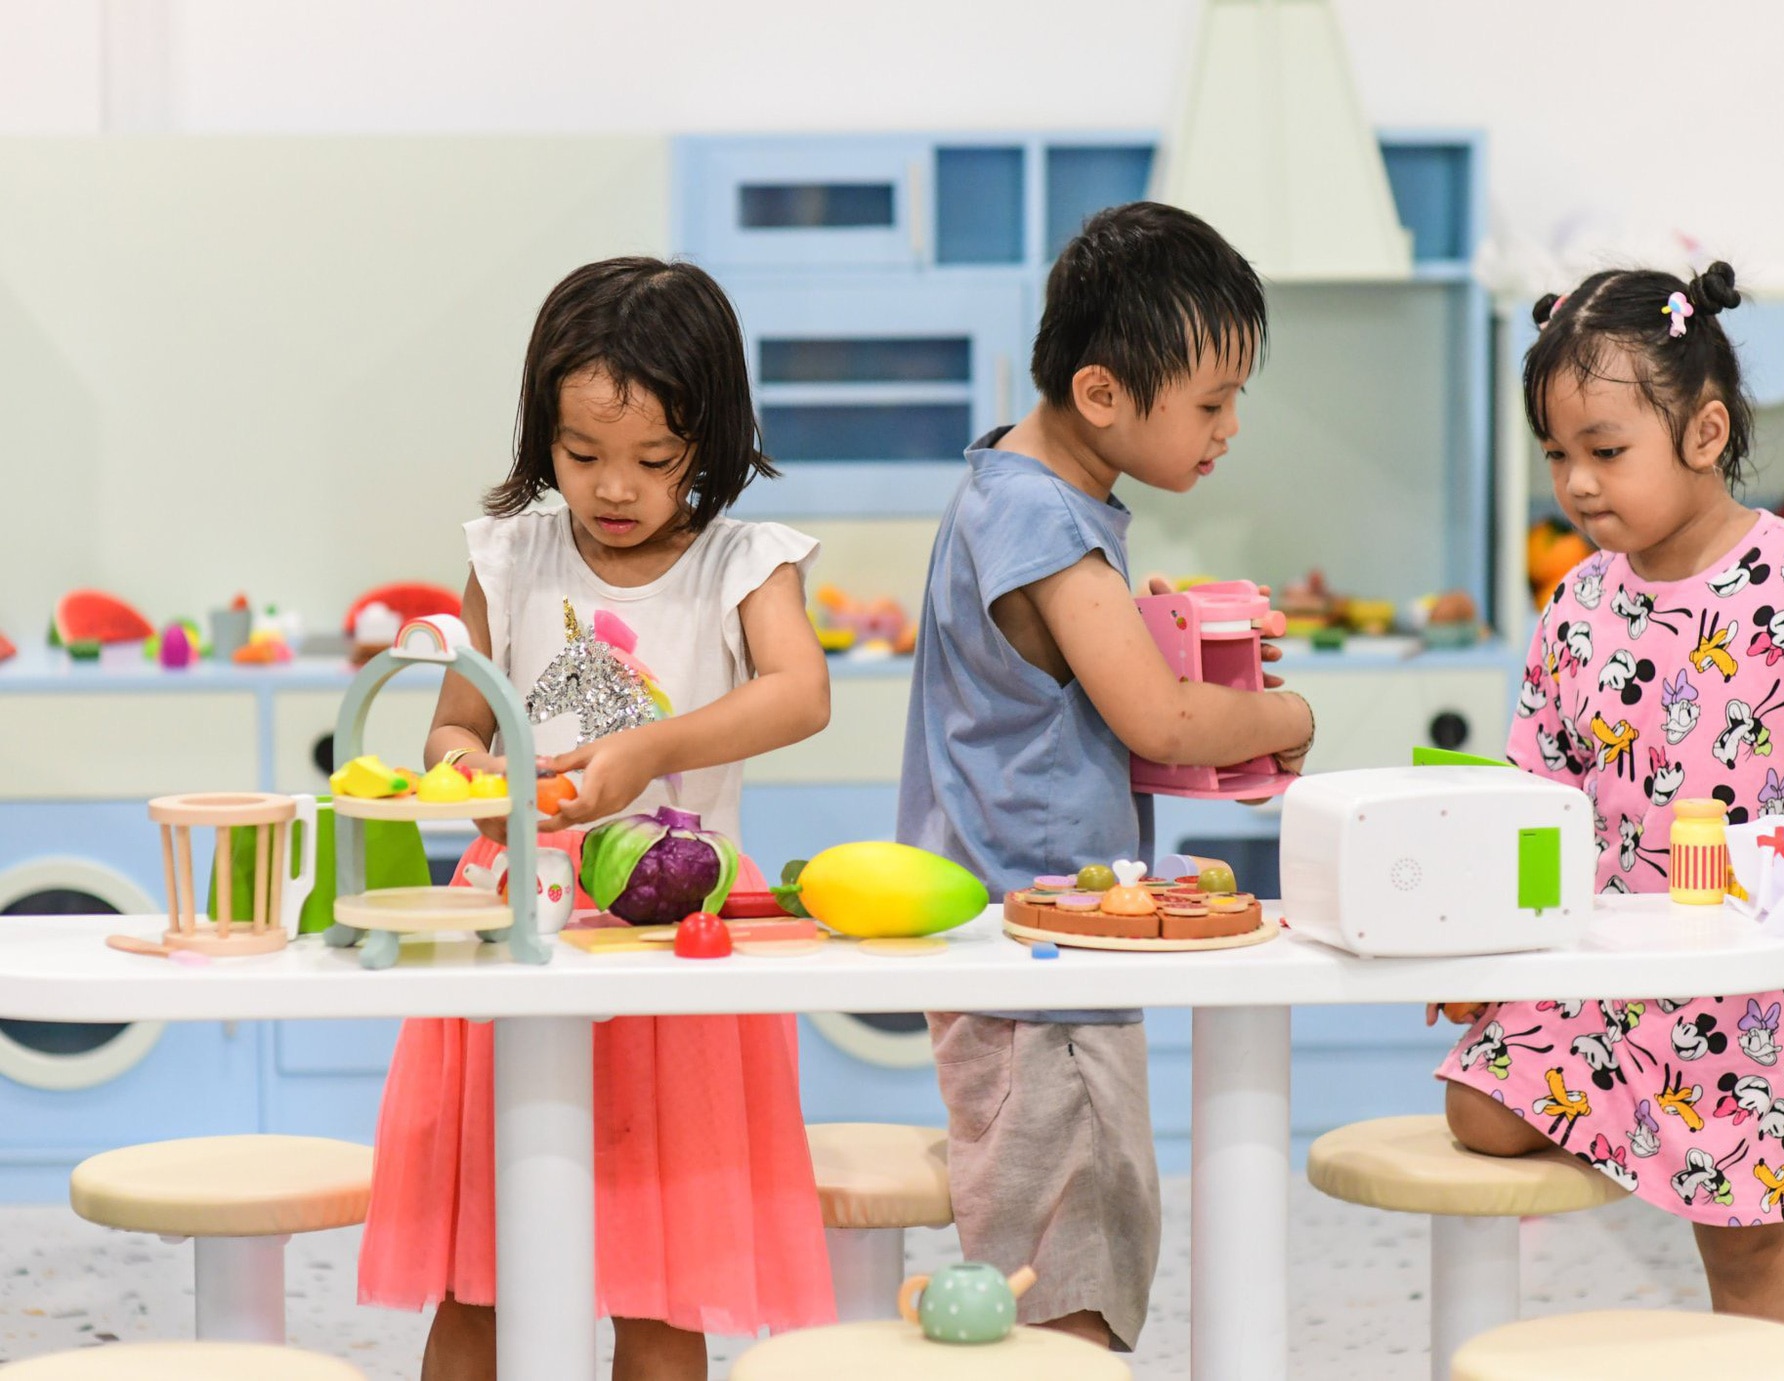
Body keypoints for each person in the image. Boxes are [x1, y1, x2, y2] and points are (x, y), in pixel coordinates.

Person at [358, 257, 836, 1380]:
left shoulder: (742, 562)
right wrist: (477, 772)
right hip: (516, 927)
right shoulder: (510, 555)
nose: (613, 487)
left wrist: (646, 753)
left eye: (654, 461)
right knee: (480, 1273)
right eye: (581, 457)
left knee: (661, 1283)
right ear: (542, 436)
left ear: (708, 443)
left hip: (675, 940)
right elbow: (450, 729)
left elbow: (799, 693)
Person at [899, 202, 1318, 1352]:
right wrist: (1282, 713)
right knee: (1065, 1275)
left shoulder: (1010, 480)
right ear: (1099, 393)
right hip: (1041, 957)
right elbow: (1157, 718)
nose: (1228, 425)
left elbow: (1069, 698)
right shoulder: (1045, 517)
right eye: (1209, 402)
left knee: (1054, 1248)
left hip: (1016, 937)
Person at [1433, 262, 1784, 1326]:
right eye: (1556, 456)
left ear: (1705, 434)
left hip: (1746, 986)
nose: (1574, 483)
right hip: (1601, 972)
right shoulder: (1573, 602)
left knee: (1748, 1242)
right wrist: (1485, 958)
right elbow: (1534, 800)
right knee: (1472, 1109)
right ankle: (1630, 1137)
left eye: (1605, 451)